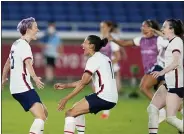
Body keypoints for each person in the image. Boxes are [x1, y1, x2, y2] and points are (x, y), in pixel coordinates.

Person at [54, 35, 118, 134]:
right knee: (77, 109)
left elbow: (83, 83)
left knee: (69, 113)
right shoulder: (104, 58)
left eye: (84, 43)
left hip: (103, 97)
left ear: (91, 46)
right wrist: (66, 86)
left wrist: (66, 99)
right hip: (111, 97)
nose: (82, 45)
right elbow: (85, 81)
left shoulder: (93, 60)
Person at [108, 19, 169, 122]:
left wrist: (157, 32)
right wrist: (113, 39)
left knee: (143, 87)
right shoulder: (140, 39)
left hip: (159, 68)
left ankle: (162, 110)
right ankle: (179, 116)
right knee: (166, 96)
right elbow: (124, 43)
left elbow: (169, 40)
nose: (143, 29)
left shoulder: (159, 39)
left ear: (153, 29)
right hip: (149, 70)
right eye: (142, 27)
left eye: (146, 27)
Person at [2, 17, 48, 134]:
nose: (37, 30)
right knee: (41, 117)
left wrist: (3, 79)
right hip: (23, 87)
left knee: (44, 112)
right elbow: (28, 63)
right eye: (35, 27)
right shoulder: (25, 45)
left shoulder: (16, 43)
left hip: (16, 88)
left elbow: (7, 63)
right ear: (28, 29)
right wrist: (35, 78)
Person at [148, 19, 184, 134]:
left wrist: (161, 72)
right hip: (169, 83)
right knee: (152, 109)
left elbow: (176, 62)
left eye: (164, 27)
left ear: (172, 29)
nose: (162, 29)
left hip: (177, 84)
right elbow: (162, 34)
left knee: (170, 118)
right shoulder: (172, 40)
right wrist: (154, 30)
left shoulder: (176, 42)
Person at [99, 21, 126, 119]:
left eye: (104, 27)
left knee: (106, 90)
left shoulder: (112, 40)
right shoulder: (99, 39)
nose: (102, 28)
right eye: (101, 27)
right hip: (100, 68)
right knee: (98, 89)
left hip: (110, 68)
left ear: (109, 27)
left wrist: (107, 64)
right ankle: (104, 108)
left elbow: (118, 56)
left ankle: (106, 112)